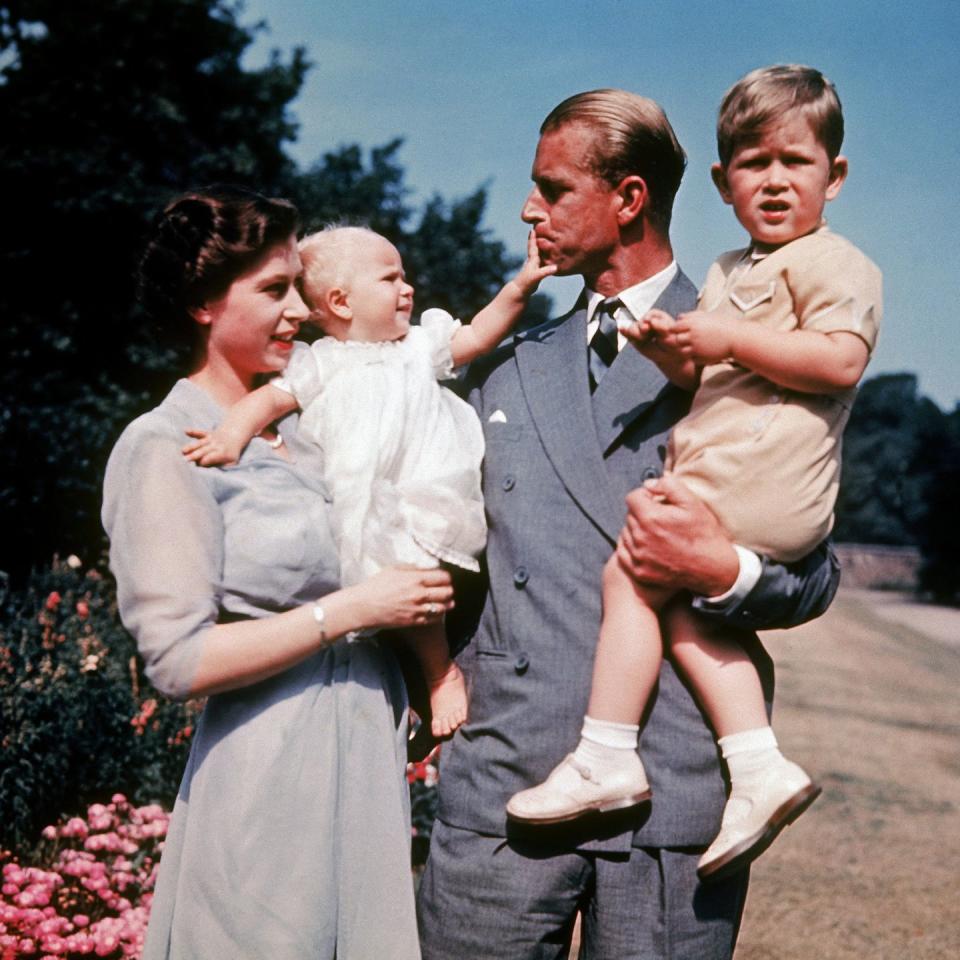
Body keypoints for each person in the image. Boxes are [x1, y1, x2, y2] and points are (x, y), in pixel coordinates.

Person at [416, 89, 842, 960]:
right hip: (506, 786)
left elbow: (814, 569)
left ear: (629, 198)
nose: (529, 209)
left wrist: (725, 570)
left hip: (673, 793)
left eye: (552, 188)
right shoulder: (506, 368)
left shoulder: (753, 343)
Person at [506, 66, 881, 883]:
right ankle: (757, 766)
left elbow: (842, 360)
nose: (774, 183)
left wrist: (729, 570)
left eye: (796, 163)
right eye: (753, 165)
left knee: (637, 574)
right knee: (661, 598)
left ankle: (610, 752)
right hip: (506, 768)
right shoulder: (722, 279)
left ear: (835, 176)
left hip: (759, 495)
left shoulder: (828, 265)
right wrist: (679, 357)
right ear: (722, 182)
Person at [102, 186, 456, 959]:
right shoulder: (163, 446)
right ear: (202, 303)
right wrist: (353, 609)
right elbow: (178, 660)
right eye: (273, 289)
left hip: (364, 764)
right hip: (266, 783)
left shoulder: (310, 431)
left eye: (300, 284)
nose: (300, 310)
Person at [181, 225, 554, 739]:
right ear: (340, 301)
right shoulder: (320, 363)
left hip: (421, 493)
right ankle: (408, 692)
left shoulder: (418, 345)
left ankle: (440, 672)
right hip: (354, 500)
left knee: (415, 579)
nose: (408, 289)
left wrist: (521, 286)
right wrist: (230, 434)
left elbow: (475, 336)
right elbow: (268, 400)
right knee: (371, 599)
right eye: (390, 278)